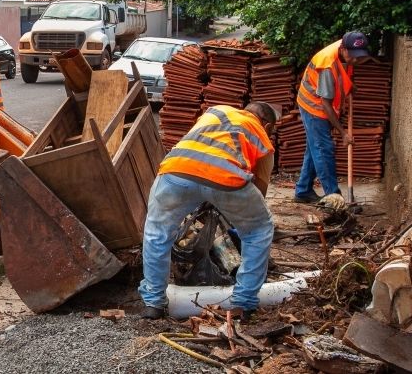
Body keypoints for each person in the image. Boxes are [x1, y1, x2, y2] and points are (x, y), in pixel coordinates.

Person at [139, 102, 277, 320]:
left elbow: (202, 151)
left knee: (157, 233)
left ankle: (153, 303)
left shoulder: (215, 111)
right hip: (226, 179)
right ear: (267, 125)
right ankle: (243, 304)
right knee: (259, 230)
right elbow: (259, 193)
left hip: (176, 171)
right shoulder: (261, 136)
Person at [294, 31, 371, 204]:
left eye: (359, 57)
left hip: (323, 104)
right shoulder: (327, 65)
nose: (356, 60)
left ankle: (303, 190)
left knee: (315, 148)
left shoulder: (345, 48)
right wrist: (343, 133)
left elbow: (342, 75)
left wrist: (349, 86)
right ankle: (335, 199)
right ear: (343, 49)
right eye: (353, 56)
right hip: (314, 107)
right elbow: (326, 104)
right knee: (323, 149)